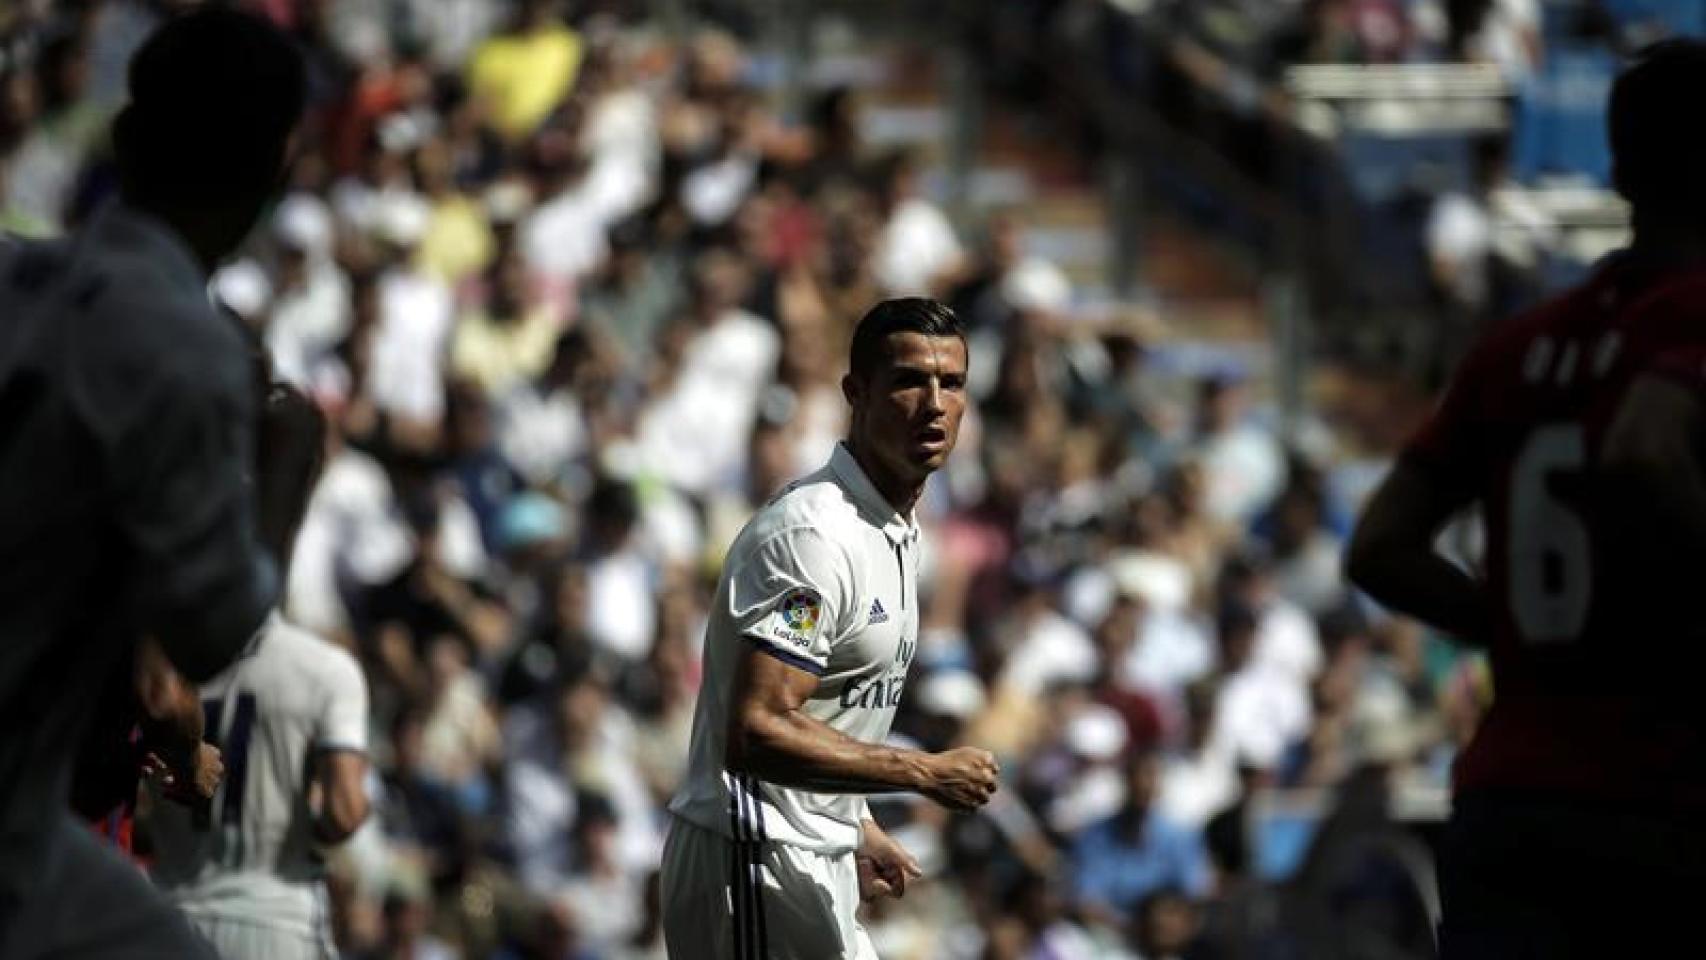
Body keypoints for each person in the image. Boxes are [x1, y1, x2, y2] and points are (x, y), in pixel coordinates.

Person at [1346, 40, 1706, 958]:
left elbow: (1381, 547)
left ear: (1620, 169)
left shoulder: (1516, 347)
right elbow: (1648, 452)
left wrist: (1508, 626)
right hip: (1664, 800)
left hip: (1513, 800)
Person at [0, 8, 303, 958]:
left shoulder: (20, 276)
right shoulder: (189, 354)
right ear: (269, 181)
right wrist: (288, 471)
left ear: (124, 138)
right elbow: (208, 631)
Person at [660, 298, 1000, 959]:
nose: (933, 403)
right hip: (752, 861)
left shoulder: (894, 530)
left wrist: (853, 821)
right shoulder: (814, 537)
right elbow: (758, 727)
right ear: (856, 392)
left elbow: (831, 707)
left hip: (809, 855)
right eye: (907, 380)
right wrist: (921, 773)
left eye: (951, 383)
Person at [145, 382, 372, 960]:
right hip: (276, 920)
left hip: (171, 912)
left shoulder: (167, 667)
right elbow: (343, 810)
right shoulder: (324, 670)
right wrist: (314, 830)